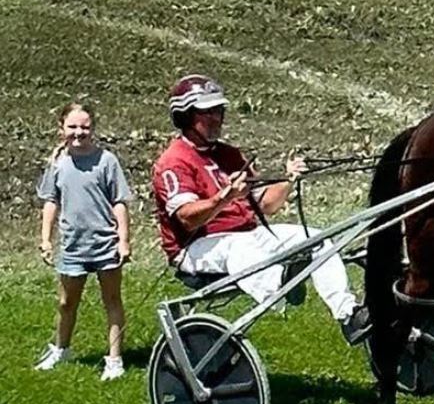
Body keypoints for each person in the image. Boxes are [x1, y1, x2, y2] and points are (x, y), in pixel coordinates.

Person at [151, 74, 370, 345]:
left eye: (218, 110)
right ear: (185, 116)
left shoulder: (229, 154)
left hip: (247, 234)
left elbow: (266, 205)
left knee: (316, 237)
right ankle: (282, 281)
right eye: (206, 112)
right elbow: (187, 219)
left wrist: (288, 179)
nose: (215, 118)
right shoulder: (173, 161)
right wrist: (225, 196)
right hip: (195, 247)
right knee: (239, 249)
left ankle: (349, 315)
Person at [35, 103, 132, 380]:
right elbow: (51, 202)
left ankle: (114, 360)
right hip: (72, 246)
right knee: (66, 302)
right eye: (73, 127)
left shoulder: (106, 161)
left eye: (85, 127)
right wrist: (46, 239)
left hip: (105, 244)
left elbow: (119, 203)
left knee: (112, 300)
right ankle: (61, 348)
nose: (79, 133)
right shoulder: (57, 163)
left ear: (93, 129)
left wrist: (123, 240)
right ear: (61, 129)